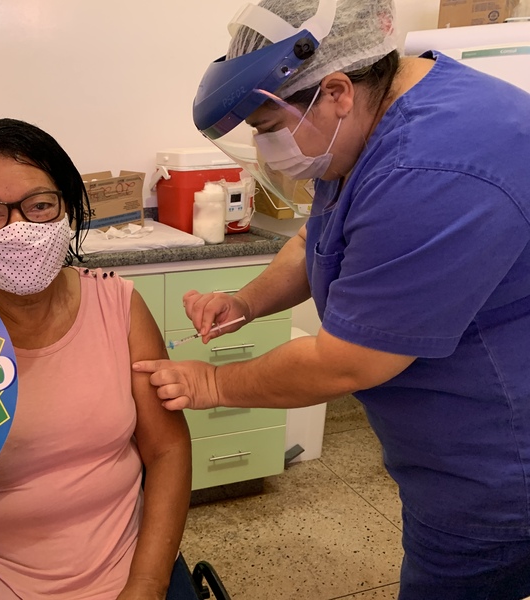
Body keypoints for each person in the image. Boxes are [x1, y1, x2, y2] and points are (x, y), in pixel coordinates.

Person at [134, 1, 530, 598]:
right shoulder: (370, 122)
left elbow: (346, 363)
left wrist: (212, 384)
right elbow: (315, 239)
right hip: (450, 448)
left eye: (268, 127)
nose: (266, 147)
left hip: (498, 465)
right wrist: (245, 303)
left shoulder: (428, 168)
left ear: (337, 91)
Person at [0, 118, 192, 600]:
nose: (20, 230)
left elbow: (167, 449)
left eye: (40, 205)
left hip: (132, 569)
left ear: (67, 206)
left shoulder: (119, 305)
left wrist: (148, 583)